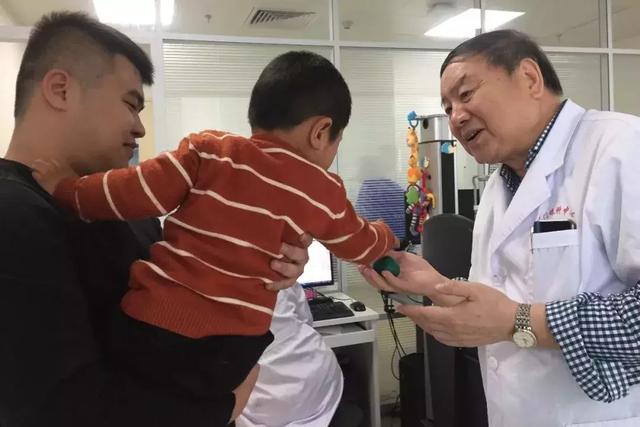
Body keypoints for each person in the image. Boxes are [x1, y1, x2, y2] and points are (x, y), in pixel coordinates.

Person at [31, 50, 397, 409]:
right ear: (321, 131)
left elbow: (133, 190)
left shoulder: (210, 151)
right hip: (232, 349)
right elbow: (360, 244)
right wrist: (387, 234)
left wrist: (65, 189)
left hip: (151, 326)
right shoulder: (322, 189)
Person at [0, 11, 311, 427]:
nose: (140, 129)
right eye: (131, 104)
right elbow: (60, 405)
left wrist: (268, 260)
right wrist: (221, 409)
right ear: (61, 89)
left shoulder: (132, 213)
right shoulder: (13, 215)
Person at [360, 29, 640, 426]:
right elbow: (504, 298)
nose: (456, 117)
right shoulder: (498, 185)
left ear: (529, 78)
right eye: (448, 107)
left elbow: (511, 314)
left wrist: (518, 321)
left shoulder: (623, 148)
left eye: (466, 94)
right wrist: (435, 285)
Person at [236, 283, 344, 427]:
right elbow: (306, 320)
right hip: (317, 374)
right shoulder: (280, 276)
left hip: (265, 398)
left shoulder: (212, 291)